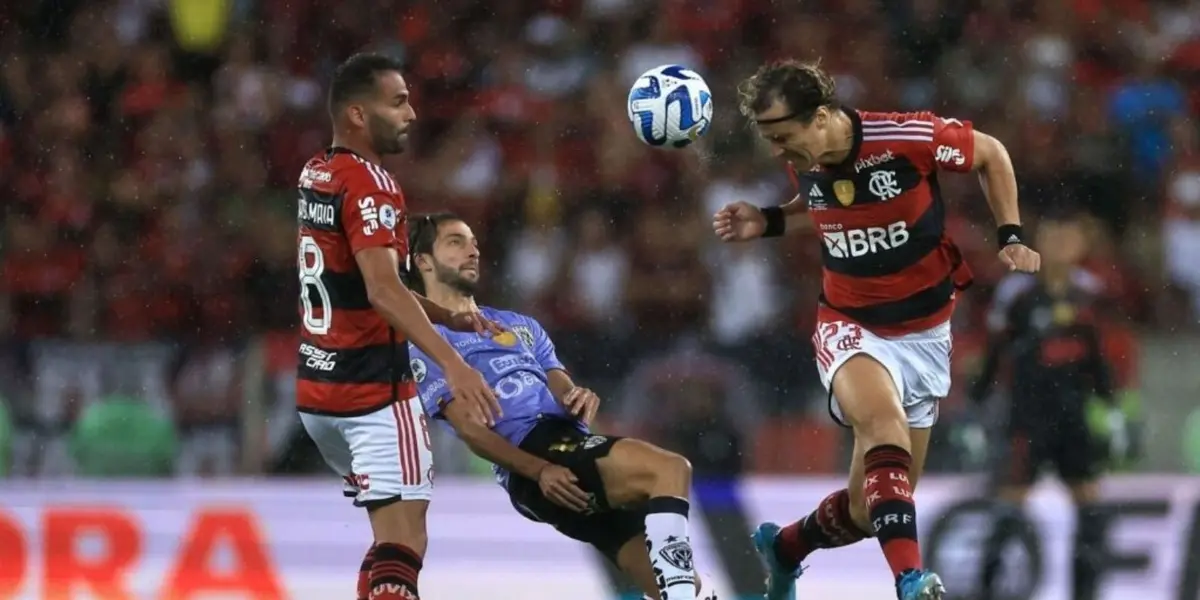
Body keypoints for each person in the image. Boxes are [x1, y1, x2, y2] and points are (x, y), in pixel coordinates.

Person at [711, 59, 1040, 600]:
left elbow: (992, 153)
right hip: (850, 324)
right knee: (884, 428)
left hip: (927, 333)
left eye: (784, 136)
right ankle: (911, 581)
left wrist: (1009, 234)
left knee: (873, 509)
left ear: (821, 118)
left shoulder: (905, 136)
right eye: (770, 139)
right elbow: (821, 203)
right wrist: (768, 220)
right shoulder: (806, 155)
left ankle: (787, 547)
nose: (778, 152)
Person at [402, 213, 702, 600]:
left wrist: (580, 397)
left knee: (682, 588)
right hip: (535, 457)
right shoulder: (424, 342)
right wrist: (539, 469)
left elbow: (561, 386)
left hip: (567, 447)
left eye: (474, 241)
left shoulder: (519, 324)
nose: (473, 250)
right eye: (456, 242)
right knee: (670, 468)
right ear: (423, 260)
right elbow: (471, 429)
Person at [294, 53, 503, 600]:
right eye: (398, 101)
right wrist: (452, 362)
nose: (412, 112)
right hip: (375, 396)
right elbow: (383, 291)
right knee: (405, 544)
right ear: (359, 115)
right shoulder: (373, 184)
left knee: (389, 547)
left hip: (320, 395)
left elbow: (354, 281)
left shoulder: (318, 171)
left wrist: (445, 313)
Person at [970, 210, 1128, 600]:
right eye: (1053, 237)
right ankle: (986, 591)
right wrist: (975, 410)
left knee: (1091, 512)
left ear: (1081, 244)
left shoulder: (1089, 294)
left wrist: (1112, 410)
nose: (1060, 246)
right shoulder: (1016, 294)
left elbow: (1097, 361)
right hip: (1028, 420)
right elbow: (994, 357)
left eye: (1068, 238)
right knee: (1009, 512)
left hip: (1073, 420)